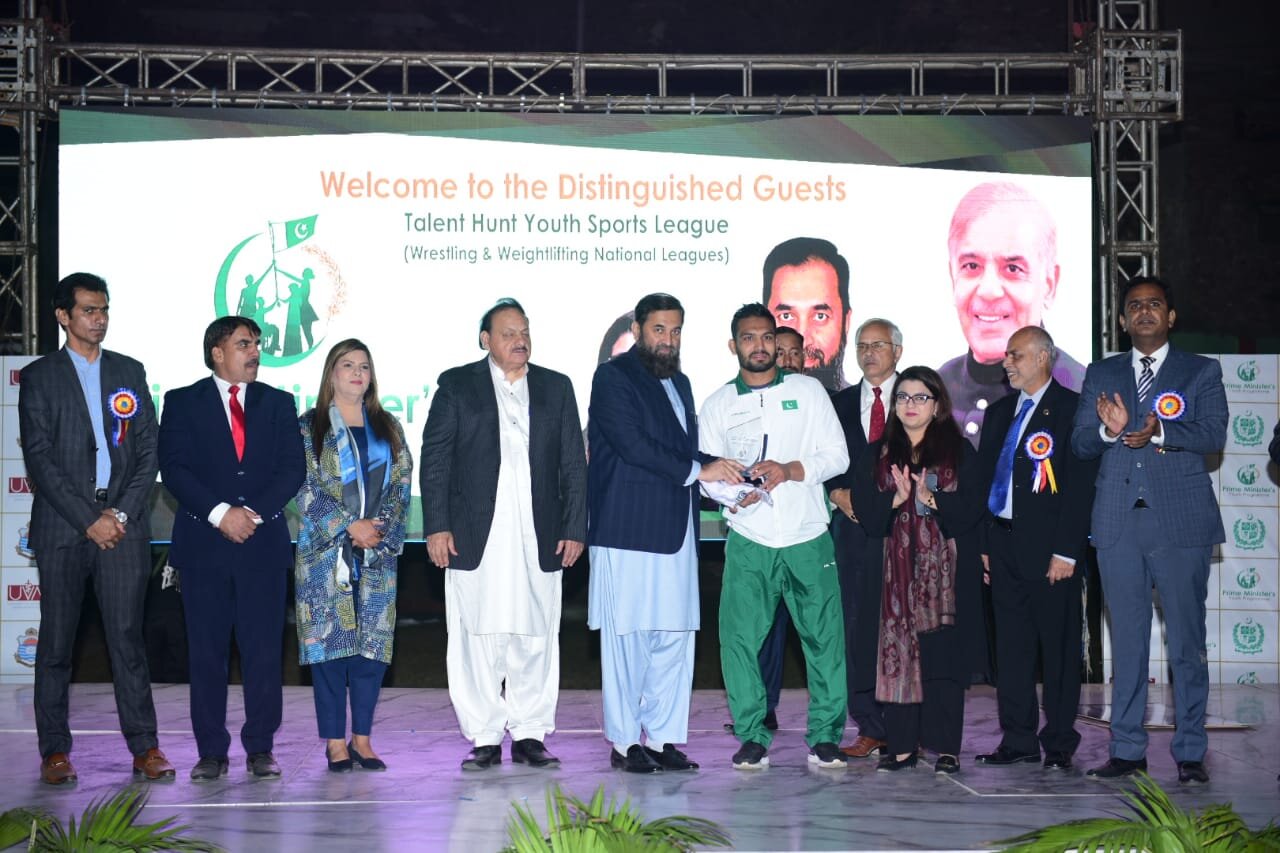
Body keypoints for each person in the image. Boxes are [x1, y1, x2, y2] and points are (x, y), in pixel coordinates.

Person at [18, 272, 173, 785]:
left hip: (123, 528)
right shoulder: (40, 377)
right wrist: (89, 519)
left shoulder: (130, 370)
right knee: (58, 643)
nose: (99, 319)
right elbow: (40, 460)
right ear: (63, 316)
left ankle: (145, 747)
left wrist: (120, 515)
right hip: (65, 527)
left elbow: (147, 450)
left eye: (104, 309)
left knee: (127, 639)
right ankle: (55, 752)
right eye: (88, 310)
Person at [421, 298, 587, 771]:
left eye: (525, 331)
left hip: (542, 532)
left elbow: (574, 463)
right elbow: (436, 460)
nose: (520, 340)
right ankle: (486, 735)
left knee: (535, 633)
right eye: (510, 332)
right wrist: (436, 525)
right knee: (478, 634)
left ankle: (531, 732)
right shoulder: (457, 385)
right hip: (476, 534)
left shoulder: (556, 387)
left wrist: (575, 526)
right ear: (486, 340)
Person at [1071, 276, 1225, 785]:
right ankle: (1128, 749)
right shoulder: (1101, 372)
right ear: (1121, 320)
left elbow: (1212, 433)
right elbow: (1078, 445)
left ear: (1171, 316)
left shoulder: (1200, 371)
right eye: (1134, 306)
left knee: (1186, 641)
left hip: (1180, 523)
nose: (1143, 312)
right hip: (1118, 523)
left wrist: (1159, 429)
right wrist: (1105, 430)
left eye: (1154, 305)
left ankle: (1190, 753)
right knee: (1130, 644)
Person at [587, 292, 741, 774]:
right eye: (659, 330)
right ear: (637, 327)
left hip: (676, 528)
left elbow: (687, 455)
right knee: (627, 637)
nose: (668, 340)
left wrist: (729, 482)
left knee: (674, 637)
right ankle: (624, 741)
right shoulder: (612, 377)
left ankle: (662, 738)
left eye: (676, 331)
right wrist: (703, 470)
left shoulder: (682, 382)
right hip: (628, 528)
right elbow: (634, 446)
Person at [700, 303, 850, 770]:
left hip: (807, 535)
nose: (760, 346)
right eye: (749, 338)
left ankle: (825, 736)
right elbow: (708, 476)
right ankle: (751, 735)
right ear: (734, 346)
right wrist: (731, 497)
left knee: (824, 640)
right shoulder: (718, 403)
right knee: (740, 641)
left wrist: (789, 470)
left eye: (767, 337)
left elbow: (838, 457)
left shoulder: (808, 392)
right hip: (749, 539)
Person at [159, 315, 306, 781]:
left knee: (263, 651)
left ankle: (261, 747)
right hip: (205, 545)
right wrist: (222, 514)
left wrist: (252, 514)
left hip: (261, 546)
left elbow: (291, 470)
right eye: (244, 344)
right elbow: (175, 468)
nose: (255, 352)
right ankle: (211, 752)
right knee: (207, 653)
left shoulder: (279, 403)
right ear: (217, 352)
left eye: (257, 343)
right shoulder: (182, 402)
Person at [852, 366, 987, 775]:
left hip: (944, 580)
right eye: (903, 397)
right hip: (890, 578)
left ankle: (946, 747)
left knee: (943, 661)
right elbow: (867, 517)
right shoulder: (875, 454)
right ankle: (903, 748)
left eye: (920, 397)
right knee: (896, 657)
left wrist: (935, 498)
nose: (910, 405)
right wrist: (895, 500)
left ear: (937, 405)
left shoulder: (960, 453)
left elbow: (972, 513)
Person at [975, 327, 1096, 771]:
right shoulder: (1000, 411)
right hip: (1003, 547)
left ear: (1044, 357)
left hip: (1051, 555)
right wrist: (986, 544)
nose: (1007, 362)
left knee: (1059, 651)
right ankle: (1019, 738)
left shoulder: (1071, 410)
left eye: (1016, 355)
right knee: (1011, 650)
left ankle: (1060, 741)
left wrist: (1067, 551)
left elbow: (1079, 488)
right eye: (1007, 355)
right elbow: (990, 481)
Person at [294, 339, 412, 773]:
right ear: (330, 374)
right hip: (326, 558)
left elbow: (401, 484)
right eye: (347, 365)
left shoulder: (389, 425)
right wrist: (348, 524)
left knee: (370, 652)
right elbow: (302, 487)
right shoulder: (308, 428)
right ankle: (334, 742)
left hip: (377, 554)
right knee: (330, 653)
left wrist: (377, 530)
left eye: (364, 366)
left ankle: (362, 739)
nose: (357, 373)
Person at [937, 181, 1086, 445]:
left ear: (1050, 284)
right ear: (952, 278)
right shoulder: (935, 390)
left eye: (1013, 268)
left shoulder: (1081, 389)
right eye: (971, 265)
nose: (989, 290)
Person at [828, 318, 904, 759]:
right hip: (853, 532)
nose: (869, 352)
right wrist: (834, 492)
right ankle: (869, 724)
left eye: (879, 344)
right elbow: (820, 456)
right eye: (862, 345)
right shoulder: (835, 403)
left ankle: (905, 722)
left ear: (898, 350)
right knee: (856, 626)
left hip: (905, 531)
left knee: (903, 626)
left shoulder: (918, 398)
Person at [762, 237, 853, 391]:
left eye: (820, 316)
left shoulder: (862, 411)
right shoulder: (733, 407)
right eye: (786, 316)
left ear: (846, 323)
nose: (803, 341)